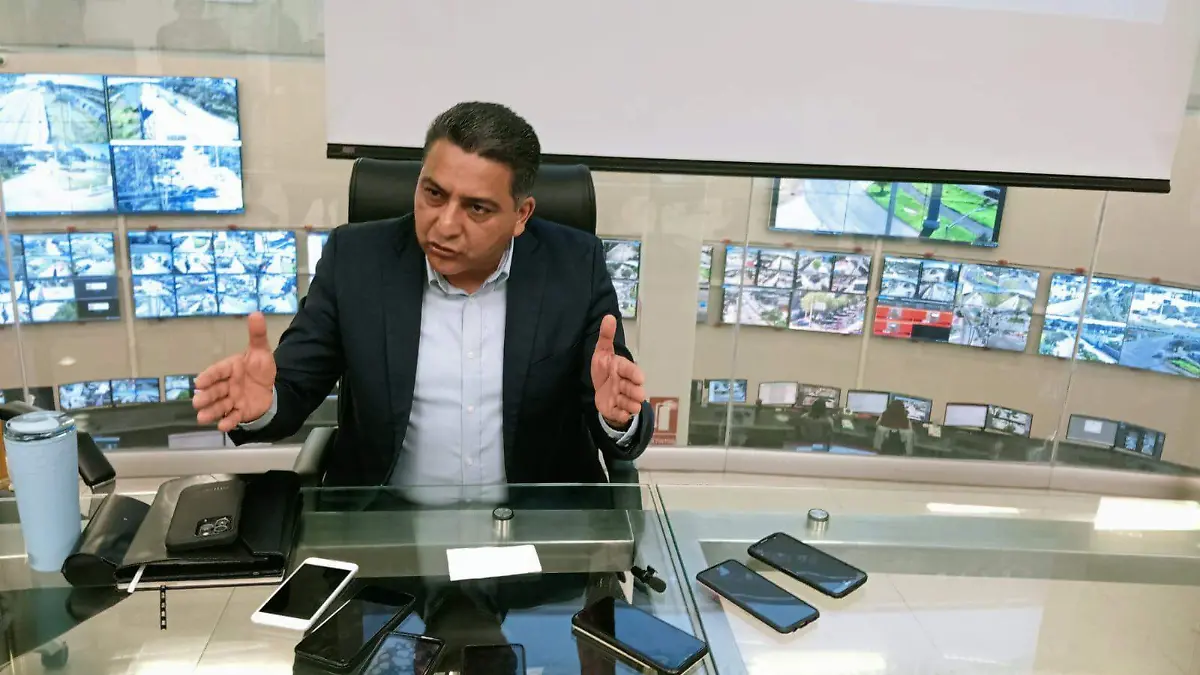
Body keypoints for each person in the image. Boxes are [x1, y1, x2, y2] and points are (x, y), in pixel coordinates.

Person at [192, 102, 651, 488]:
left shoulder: (575, 265)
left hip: (536, 536)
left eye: (477, 207)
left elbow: (611, 395)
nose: (445, 224)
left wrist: (617, 417)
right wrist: (265, 403)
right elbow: (294, 386)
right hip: (387, 535)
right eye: (433, 193)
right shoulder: (356, 261)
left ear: (520, 215)